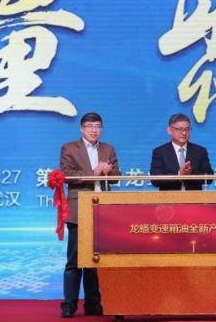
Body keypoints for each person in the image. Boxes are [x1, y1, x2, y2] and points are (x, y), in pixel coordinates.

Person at [59, 112, 120, 318]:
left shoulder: (108, 149)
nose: (94, 130)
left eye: (97, 126)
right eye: (90, 126)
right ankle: (69, 304)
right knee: (75, 260)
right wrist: (94, 172)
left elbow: (116, 177)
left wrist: (107, 171)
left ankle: (93, 303)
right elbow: (66, 175)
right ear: (82, 128)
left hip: (102, 210)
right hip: (79, 209)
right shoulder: (69, 148)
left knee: (96, 260)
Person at [150, 113, 213, 190]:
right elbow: (155, 180)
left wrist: (191, 173)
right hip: (169, 197)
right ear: (169, 130)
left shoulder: (200, 151)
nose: (184, 133)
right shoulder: (160, 152)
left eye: (187, 129)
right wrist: (178, 174)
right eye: (180, 129)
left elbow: (209, 178)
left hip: (194, 196)